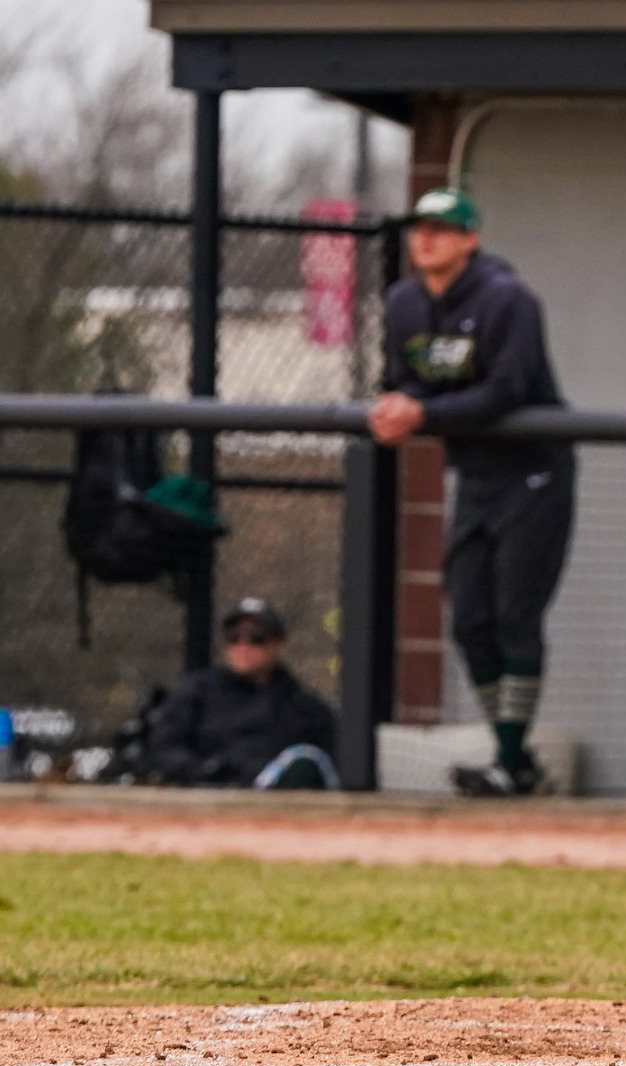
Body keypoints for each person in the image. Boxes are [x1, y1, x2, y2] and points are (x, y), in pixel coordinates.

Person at [372, 186, 574, 798]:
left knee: (517, 615)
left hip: (533, 473)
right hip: (476, 476)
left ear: (469, 239)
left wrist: (420, 412)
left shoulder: (505, 298)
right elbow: (401, 381)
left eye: (441, 227)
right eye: (419, 228)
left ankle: (511, 759)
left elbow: (507, 390)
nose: (426, 238)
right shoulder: (404, 303)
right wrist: (395, 406)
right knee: (469, 621)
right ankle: (510, 756)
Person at [147, 598, 339, 789]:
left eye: (257, 638)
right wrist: (206, 771)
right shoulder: (197, 692)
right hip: (203, 799)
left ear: (279, 644)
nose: (243, 645)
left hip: (275, 805)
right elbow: (164, 749)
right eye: (234, 636)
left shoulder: (304, 706)